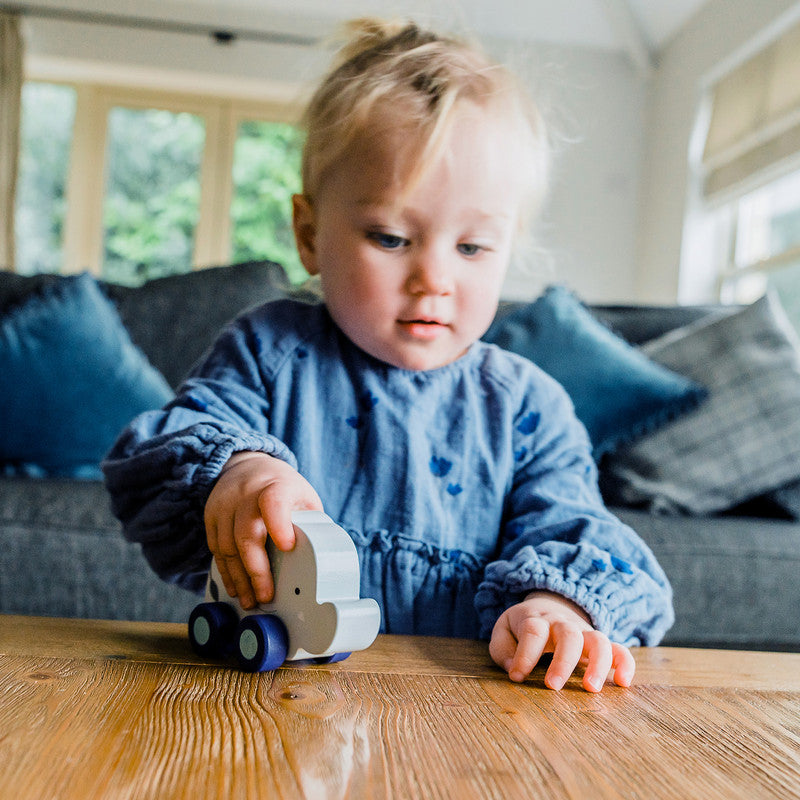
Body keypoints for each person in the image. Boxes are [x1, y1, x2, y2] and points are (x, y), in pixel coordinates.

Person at [103, 18, 673, 692]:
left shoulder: (528, 407)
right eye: (392, 237)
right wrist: (240, 470)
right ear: (310, 234)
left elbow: (572, 524)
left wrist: (556, 606)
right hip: (273, 704)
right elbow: (165, 452)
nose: (434, 278)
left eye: (471, 248)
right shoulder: (270, 350)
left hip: (465, 715)